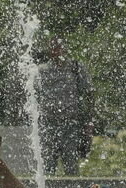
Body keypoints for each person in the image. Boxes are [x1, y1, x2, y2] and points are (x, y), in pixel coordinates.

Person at [37, 38, 94, 176]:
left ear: (65, 49)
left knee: (71, 165)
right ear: (49, 51)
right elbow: (33, 96)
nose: (57, 51)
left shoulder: (75, 67)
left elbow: (89, 94)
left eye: (59, 47)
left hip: (70, 124)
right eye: (53, 47)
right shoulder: (41, 70)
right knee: (47, 167)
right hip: (48, 124)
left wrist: (89, 121)